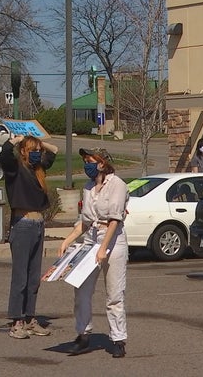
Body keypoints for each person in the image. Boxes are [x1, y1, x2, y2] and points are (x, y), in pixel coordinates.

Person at [59, 147, 129, 358]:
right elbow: (85, 221)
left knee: (114, 294)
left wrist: (103, 248)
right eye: (85, 161)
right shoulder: (89, 187)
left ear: (102, 163)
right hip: (91, 240)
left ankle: (118, 339)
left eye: (90, 160)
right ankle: (83, 335)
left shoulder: (117, 185)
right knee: (81, 290)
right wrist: (68, 240)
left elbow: (115, 220)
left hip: (113, 241)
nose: (87, 164)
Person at [1, 134, 58, 339]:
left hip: (37, 224)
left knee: (34, 277)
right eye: (32, 150)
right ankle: (17, 322)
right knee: (21, 277)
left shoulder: (38, 170)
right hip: (22, 224)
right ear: (23, 151)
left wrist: (42, 142)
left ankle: (29, 318)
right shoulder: (15, 169)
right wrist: (16, 140)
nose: (36, 153)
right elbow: (5, 155)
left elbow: (54, 154)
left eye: (38, 150)